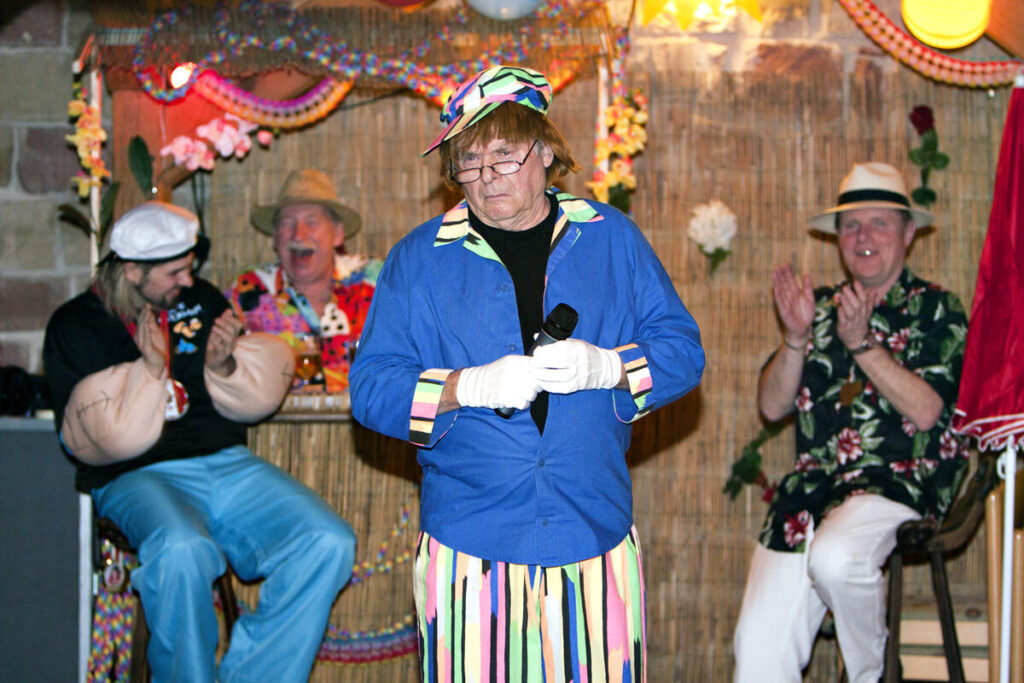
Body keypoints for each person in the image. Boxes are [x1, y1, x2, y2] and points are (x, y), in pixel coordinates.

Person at [349, 64, 705, 681]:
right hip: (469, 544)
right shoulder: (418, 259)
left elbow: (683, 351)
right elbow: (371, 388)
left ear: (544, 151)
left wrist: (610, 367)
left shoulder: (612, 239)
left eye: (504, 155)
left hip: (592, 532)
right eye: (469, 161)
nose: (487, 176)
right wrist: (465, 387)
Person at [43, 201, 356, 682]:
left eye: (188, 268)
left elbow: (237, 389)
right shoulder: (75, 325)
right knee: (181, 550)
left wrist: (225, 362)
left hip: (224, 461)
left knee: (328, 541)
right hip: (132, 476)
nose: (187, 280)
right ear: (132, 271)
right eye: (174, 272)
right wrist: (149, 370)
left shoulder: (200, 299)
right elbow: (87, 439)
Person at [732, 162, 970, 683]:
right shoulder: (818, 307)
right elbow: (771, 406)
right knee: (755, 656)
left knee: (836, 557)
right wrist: (796, 338)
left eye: (879, 223)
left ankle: (873, 672)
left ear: (908, 233)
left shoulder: (937, 309)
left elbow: (928, 411)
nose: (863, 237)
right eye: (851, 225)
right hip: (811, 493)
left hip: (899, 483)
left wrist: (862, 345)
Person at [225, 169, 380, 392]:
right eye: (287, 223)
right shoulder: (248, 290)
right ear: (275, 237)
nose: (298, 235)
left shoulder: (375, 282)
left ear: (337, 233)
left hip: (366, 415)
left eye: (312, 222)